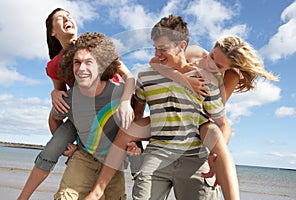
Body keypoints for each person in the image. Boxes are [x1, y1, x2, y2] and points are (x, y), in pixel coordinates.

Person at [85, 14, 240, 200]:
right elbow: (139, 111)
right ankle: (97, 191)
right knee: (126, 131)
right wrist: (135, 143)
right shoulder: (147, 76)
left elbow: (222, 122)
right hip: (157, 152)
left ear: (182, 46)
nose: (157, 53)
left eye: (163, 48)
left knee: (214, 133)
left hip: (193, 153)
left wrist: (213, 155)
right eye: (155, 48)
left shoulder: (206, 78)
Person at [17, 8, 135, 200]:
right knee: (53, 148)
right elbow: (61, 92)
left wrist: (124, 101)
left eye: (69, 15)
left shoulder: (95, 45)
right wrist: (54, 93)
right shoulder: (55, 65)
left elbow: (129, 76)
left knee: (129, 151)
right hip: (82, 113)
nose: (67, 18)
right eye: (60, 18)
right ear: (52, 32)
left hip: (112, 107)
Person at [51, 32, 127, 199]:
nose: (82, 68)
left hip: (113, 162)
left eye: (89, 62)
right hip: (84, 156)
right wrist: (66, 144)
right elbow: (54, 118)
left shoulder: (120, 94)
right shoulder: (69, 98)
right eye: (77, 62)